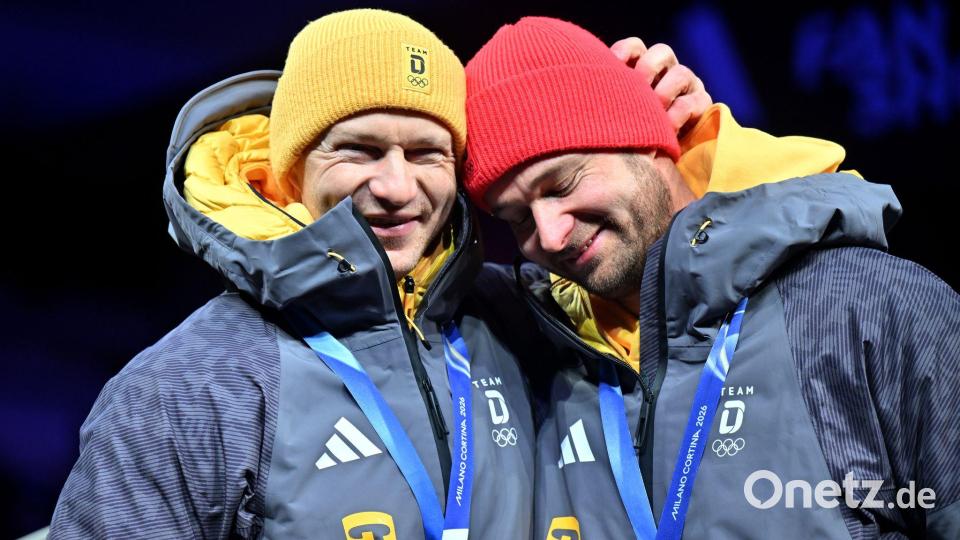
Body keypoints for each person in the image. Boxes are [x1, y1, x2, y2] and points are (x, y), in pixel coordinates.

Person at [47, 9, 710, 540]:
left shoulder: (526, 316)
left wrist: (692, 159)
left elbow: (689, 294)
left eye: (426, 153)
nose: (397, 187)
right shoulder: (186, 388)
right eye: (359, 151)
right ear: (291, 168)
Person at [463, 16, 960, 540]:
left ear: (644, 142)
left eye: (562, 185)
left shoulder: (870, 306)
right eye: (517, 217)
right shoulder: (533, 356)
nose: (549, 235)